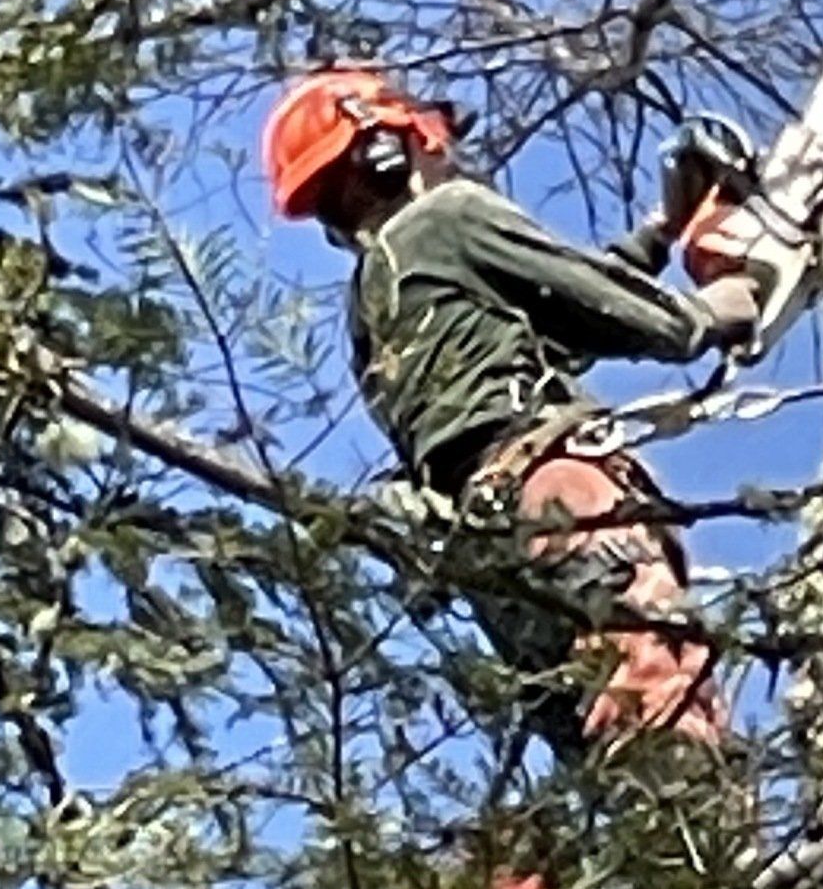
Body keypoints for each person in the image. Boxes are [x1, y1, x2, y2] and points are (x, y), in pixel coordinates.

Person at [260, 63, 761, 758]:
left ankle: (679, 826)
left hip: (492, 556)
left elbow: (544, 328)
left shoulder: (372, 308)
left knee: (607, 734)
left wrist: (658, 234)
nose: (444, 154)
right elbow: (629, 316)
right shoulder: (447, 216)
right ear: (385, 149)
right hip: (553, 490)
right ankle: (708, 810)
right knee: (658, 680)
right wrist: (715, 308)